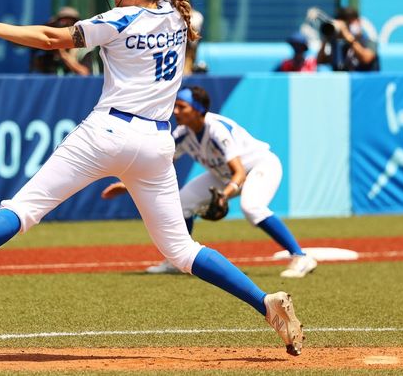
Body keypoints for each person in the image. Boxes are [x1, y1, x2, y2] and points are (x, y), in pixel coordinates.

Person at [0, 0, 305, 357]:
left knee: (24, 207)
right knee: (181, 250)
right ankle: (265, 303)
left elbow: (51, 39)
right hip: (156, 143)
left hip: (107, 132)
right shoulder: (175, 11)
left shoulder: (120, 20)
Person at [102, 85, 318, 278]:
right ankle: (176, 260)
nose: (175, 111)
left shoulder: (216, 129)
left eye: (182, 106)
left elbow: (239, 172)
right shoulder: (183, 133)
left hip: (260, 166)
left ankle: (300, 256)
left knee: (252, 207)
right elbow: (158, 163)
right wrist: (126, 184)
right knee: (183, 203)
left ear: (197, 109)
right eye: (175, 106)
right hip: (223, 175)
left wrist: (224, 196)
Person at [29, 6, 91, 75]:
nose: (66, 26)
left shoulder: (83, 50)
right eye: (63, 22)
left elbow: (84, 72)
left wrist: (64, 55)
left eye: (71, 22)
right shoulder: (48, 46)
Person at [316, 7, 379, 71]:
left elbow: (366, 59)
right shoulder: (338, 44)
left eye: (348, 23)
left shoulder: (369, 40)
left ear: (358, 21)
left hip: (367, 80)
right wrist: (326, 39)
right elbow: (320, 61)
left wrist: (347, 36)